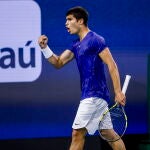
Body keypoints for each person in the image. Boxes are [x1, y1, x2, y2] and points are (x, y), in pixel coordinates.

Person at [38, 6, 126, 150]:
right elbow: (58, 62)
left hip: (94, 95)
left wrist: (118, 91)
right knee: (109, 134)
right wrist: (44, 48)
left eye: (69, 19)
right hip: (94, 96)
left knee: (77, 134)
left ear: (80, 21)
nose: (66, 23)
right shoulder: (76, 45)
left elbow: (112, 65)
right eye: (66, 20)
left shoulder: (95, 40)